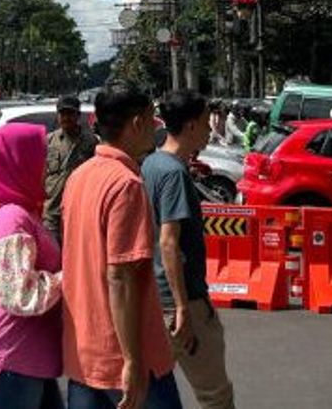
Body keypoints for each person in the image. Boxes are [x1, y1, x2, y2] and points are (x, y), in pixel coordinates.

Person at [61, 83, 181, 408]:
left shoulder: (79, 176)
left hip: (84, 350)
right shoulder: (125, 184)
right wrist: (132, 359)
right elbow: (121, 277)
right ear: (138, 123)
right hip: (126, 353)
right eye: (151, 119)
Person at [0, 124, 64, 408]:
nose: (47, 167)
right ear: (17, 161)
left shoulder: (17, 210)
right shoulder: (10, 219)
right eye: (41, 157)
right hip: (9, 361)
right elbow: (21, 296)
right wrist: (74, 274)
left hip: (19, 359)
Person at [143, 90, 235, 409]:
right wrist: (183, 307)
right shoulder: (172, 173)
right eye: (207, 120)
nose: (211, 129)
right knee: (215, 396)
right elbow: (169, 241)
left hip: (154, 299)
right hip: (182, 303)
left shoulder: (151, 163)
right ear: (193, 125)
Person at [43, 96, 99, 242]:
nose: (66, 117)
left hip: (78, 214)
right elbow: (41, 175)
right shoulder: (48, 141)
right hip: (52, 215)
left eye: (70, 113)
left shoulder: (90, 142)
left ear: (78, 115)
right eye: (63, 113)